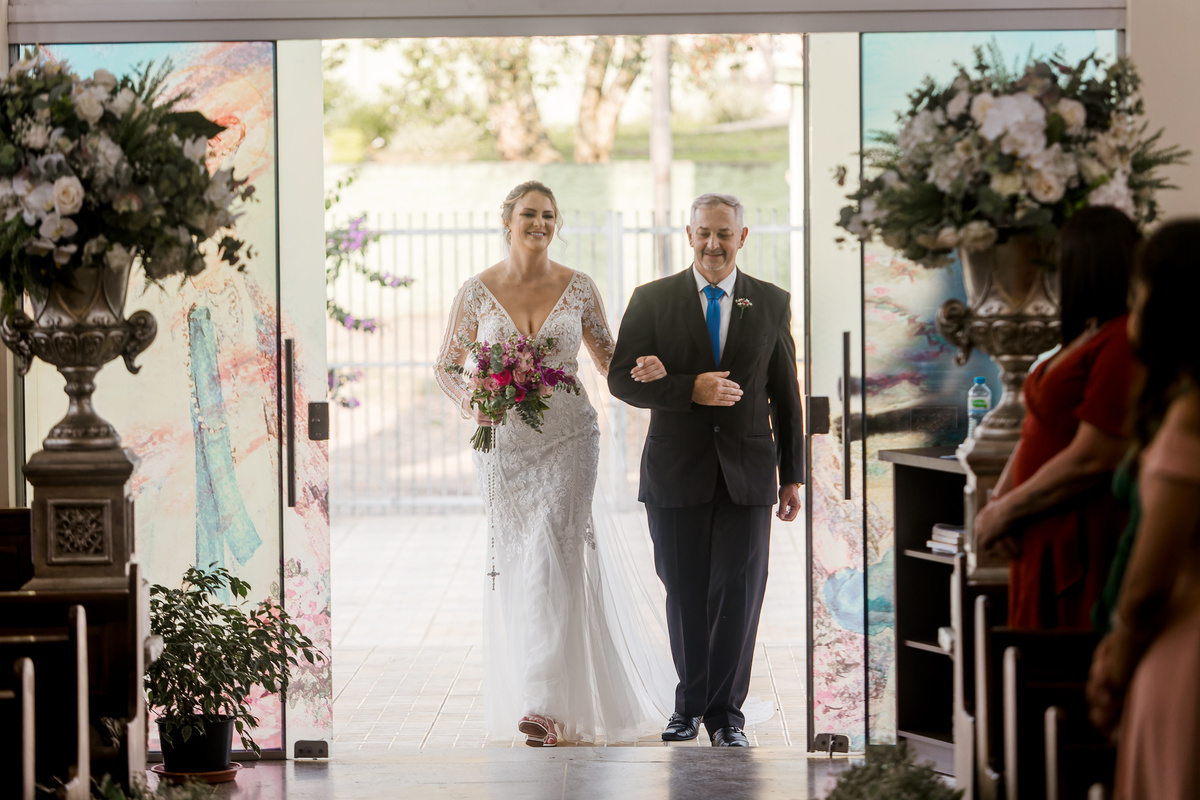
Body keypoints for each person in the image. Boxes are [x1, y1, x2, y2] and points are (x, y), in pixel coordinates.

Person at [433, 180, 674, 747]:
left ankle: (544, 705)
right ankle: (540, 694)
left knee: (554, 553)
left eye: (548, 215)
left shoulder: (580, 287)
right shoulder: (476, 292)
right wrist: (476, 402)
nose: (539, 223)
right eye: (528, 214)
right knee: (520, 562)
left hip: (570, 438)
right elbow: (446, 365)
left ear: (556, 223)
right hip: (505, 443)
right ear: (508, 221)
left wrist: (654, 369)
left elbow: (610, 359)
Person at [607, 192, 805, 747]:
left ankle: (725, 717)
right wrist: (687, 388)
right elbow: (620, 379)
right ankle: (687, 706)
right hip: (676, 472)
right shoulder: (653, 300)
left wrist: (792, 475)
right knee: (685, 590)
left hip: (748, 474)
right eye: (703, 233)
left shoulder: (770, 301)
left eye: (724, 233)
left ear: (742, 237)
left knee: (738, 596)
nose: (713, 244)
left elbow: (786, 396)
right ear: (688, 235)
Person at [975, 206, 1142, 629]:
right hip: (1042, 525)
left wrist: (1008, 508)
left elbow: (1094, 454)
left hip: (1080, 528)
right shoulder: (1089, 332)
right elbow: (1037, 428)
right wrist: (1000, 505)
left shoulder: (1120, 340)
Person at [1086, 220, 1200, 800]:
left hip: (1183, 644)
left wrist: (1118, 656)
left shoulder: (1192, 414)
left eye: (1139, 289)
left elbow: (1151, 579)